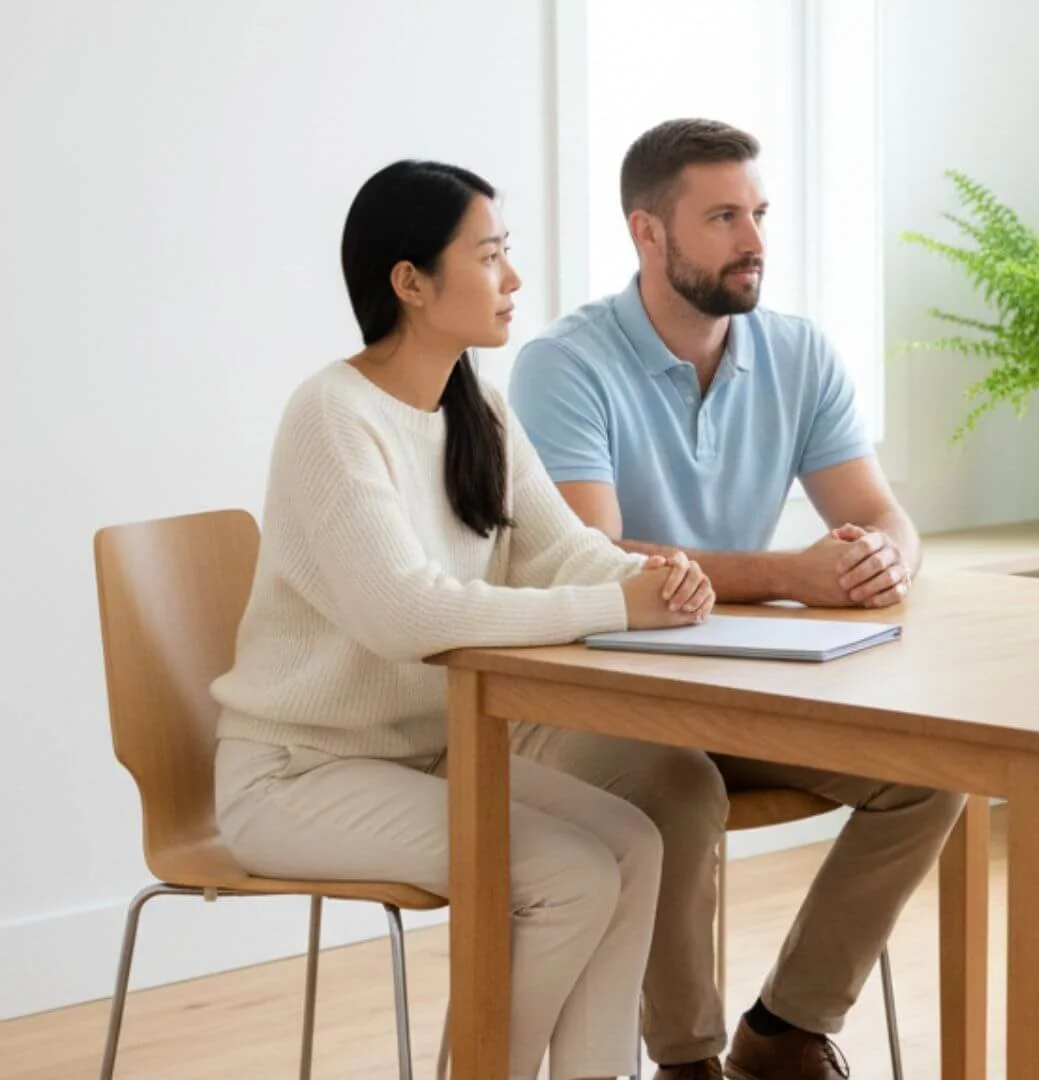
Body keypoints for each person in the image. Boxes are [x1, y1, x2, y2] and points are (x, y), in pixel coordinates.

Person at [210, 159, 718, 1080]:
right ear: (409, 282)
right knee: (566, 876)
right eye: (488, 257)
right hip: (299, 773)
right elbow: (409, 613)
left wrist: (656, 579)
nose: (512, 279)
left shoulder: (474, 406)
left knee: (634, 845)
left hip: (434, 756)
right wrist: (616, 606)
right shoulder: (332, 416)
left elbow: (559, 549)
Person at [507, 119, 964, 1080]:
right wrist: (790, 577)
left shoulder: (797, 354)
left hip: (736, 680)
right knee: (678, 785)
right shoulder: (564, 365)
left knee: (931, 767)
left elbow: (880, 509)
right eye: (722, 217)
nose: (754, 240)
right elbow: (598, 561)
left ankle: (787, 1028)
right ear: (648, 232)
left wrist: (886, 558)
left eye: (757, 212)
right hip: (581, 693)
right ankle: (686, 1061)